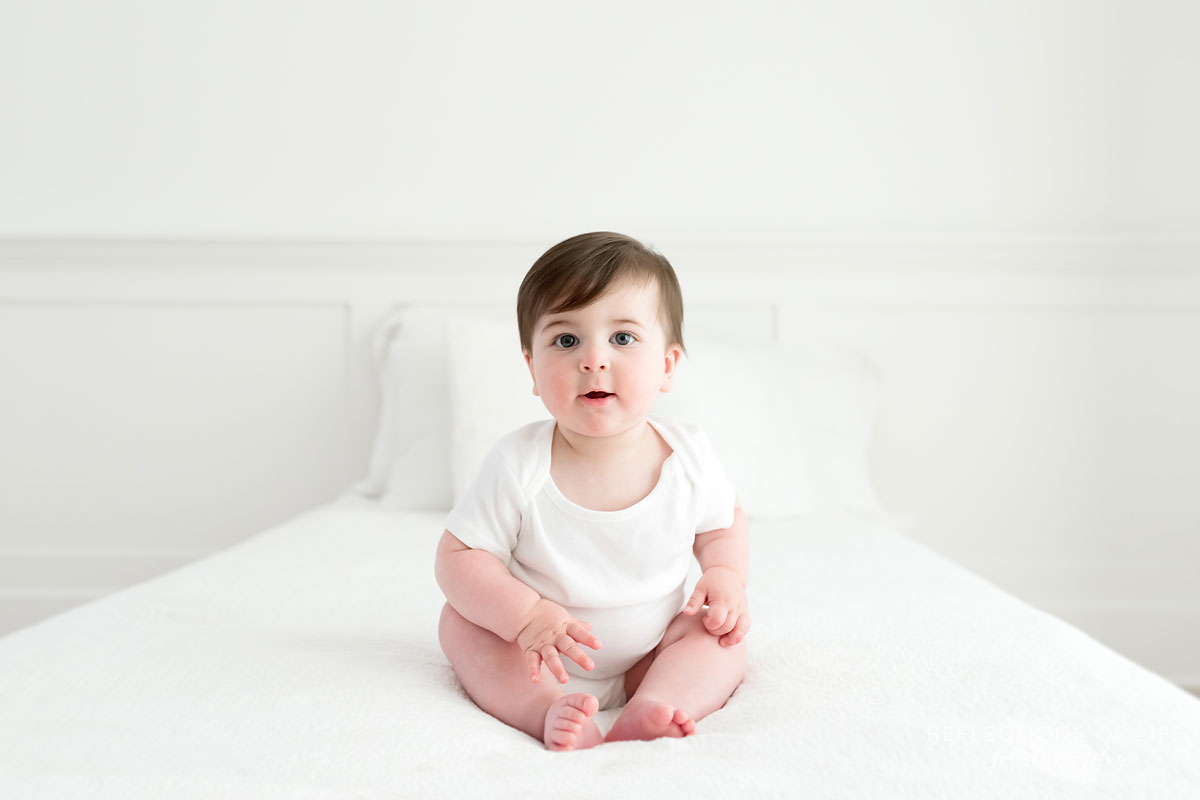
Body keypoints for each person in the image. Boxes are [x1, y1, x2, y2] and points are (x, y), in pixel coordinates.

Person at [434, 231, 750, 751]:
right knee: (461, 624)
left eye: (622, 339)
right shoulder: (517, 463)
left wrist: (724, 573)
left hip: (648, 651)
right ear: (532, 369)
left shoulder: (689, 455)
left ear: (667, 366)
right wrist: (525, 617)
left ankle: (655, 702)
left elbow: (723, 521)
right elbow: (458, 557)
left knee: (720, 637)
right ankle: (546, 711)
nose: (593, 359)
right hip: (537, 654)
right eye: (565, 340)